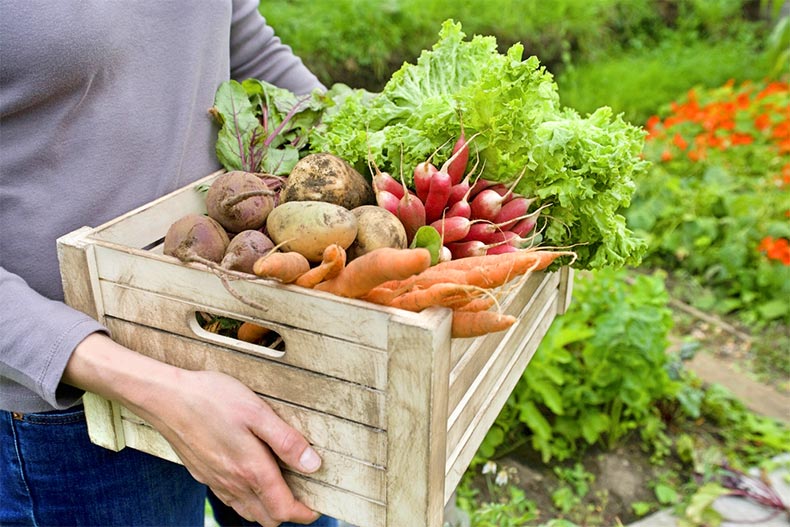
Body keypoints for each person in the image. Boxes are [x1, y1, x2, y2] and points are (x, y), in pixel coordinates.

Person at [0, 2, 340, 526]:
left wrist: (366, 147)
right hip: (77, 411)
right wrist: (159, 390)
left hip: (249, 321)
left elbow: (238, 36)